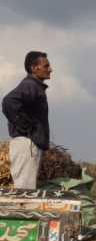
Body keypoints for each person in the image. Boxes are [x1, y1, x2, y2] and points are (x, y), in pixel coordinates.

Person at [1, 51, 52, 189]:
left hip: (27, 144)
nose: (50, 69)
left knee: (26, 190)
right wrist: (26, 126)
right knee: (25, 192)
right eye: (46, 66)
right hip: (26, 145)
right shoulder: (30, 85)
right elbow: (8, 102)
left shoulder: (34, 86)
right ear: (34, 68)